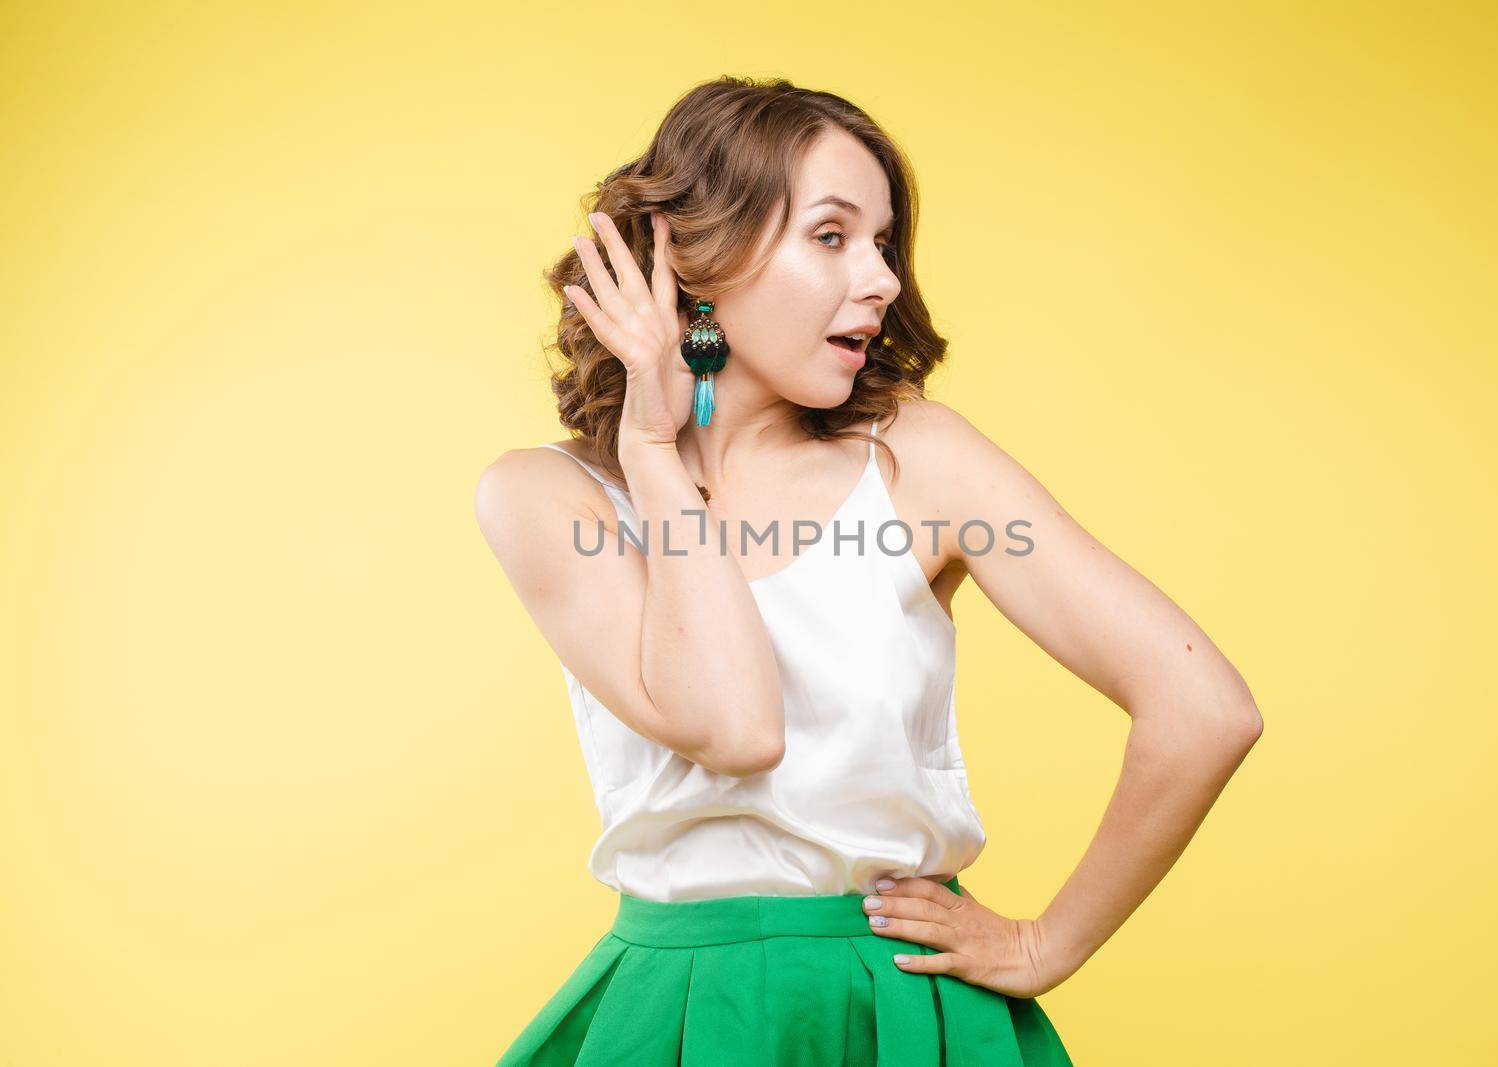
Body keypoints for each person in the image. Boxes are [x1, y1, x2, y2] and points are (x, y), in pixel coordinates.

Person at [475, 75, 1262, 1066]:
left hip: (901, 1010)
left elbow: (1204, 704)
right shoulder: (549, 496)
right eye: (833, 235)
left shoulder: (919, 460)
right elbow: (738, 726)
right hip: (677, 1014)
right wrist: (652, 451)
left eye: (884, 242)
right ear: (695, 261)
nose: (882, 279)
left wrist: (1045, 942)